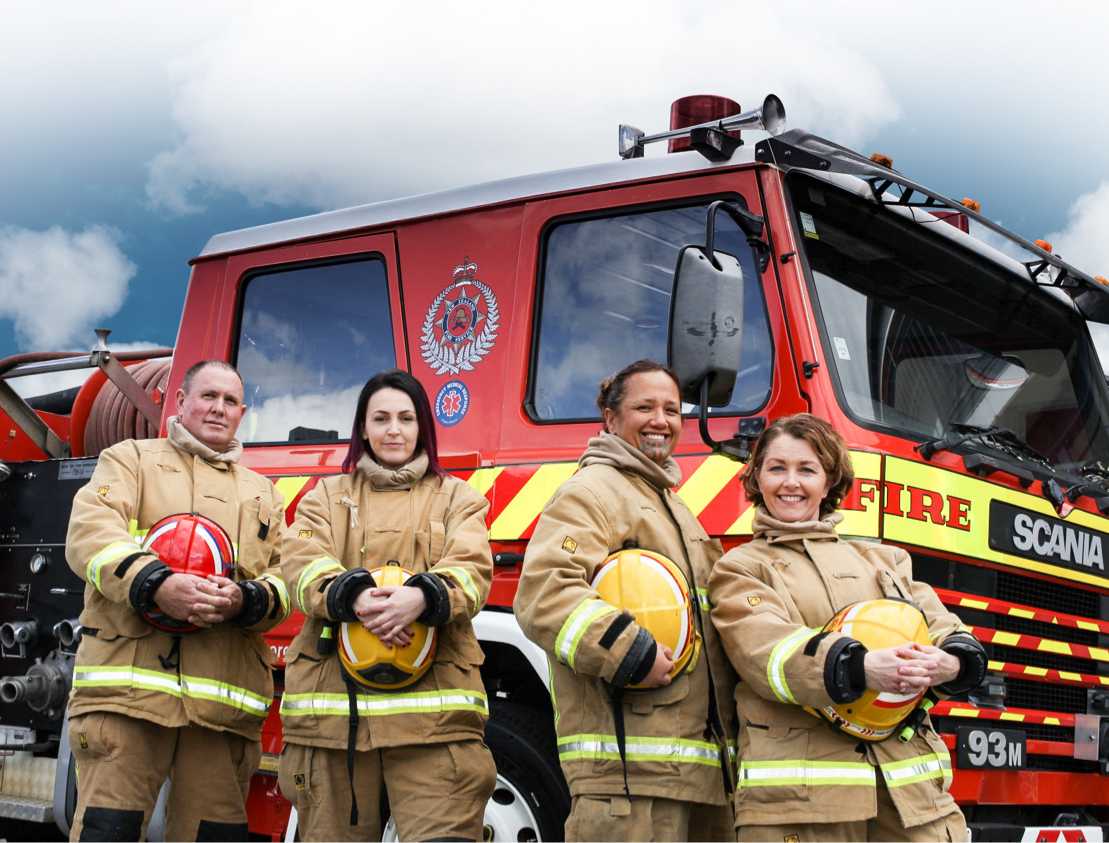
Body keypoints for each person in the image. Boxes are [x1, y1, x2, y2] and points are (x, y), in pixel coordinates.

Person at [709, 413, 989, 843]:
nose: (791, 482)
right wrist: (859, 668)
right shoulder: (740, 567)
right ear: (757, 479)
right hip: (803, 807)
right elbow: (764, 650)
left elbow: (942, 625)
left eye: (807, 469)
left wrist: (950, 663)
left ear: (829, 481)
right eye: (776, 468)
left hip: (913, 802)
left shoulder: (886, 560)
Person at [65, 359, 291, 842]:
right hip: (127, 703)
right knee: (108, 833)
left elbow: (289, 580)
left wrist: (246, 598)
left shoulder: (264, 494)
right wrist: (156, 583)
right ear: (181, 400)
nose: (218, 408)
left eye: (230, 401)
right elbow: (90, 536)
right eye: (208, 396)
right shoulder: (130, 460)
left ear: (242, 412)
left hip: (220, 713)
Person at [514, 359, 738, 843]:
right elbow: (543, 594)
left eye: (673, 410)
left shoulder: (671, 504)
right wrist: (628, 651)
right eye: (645, 407)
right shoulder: (592, 492)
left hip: (694, 774)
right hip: (629, 776)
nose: (662, 420)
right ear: (611, 419)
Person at [277, 368, 496, 842]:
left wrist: (422, 597)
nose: (393, 430)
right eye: (381, 418)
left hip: (434, 727)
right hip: (335, 722)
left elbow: (474, 569)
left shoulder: (459, 498)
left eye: (406, 418)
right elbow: (298, 561)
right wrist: (351, 597)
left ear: (423, 429)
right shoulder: (325, 498)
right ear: (362, 428)